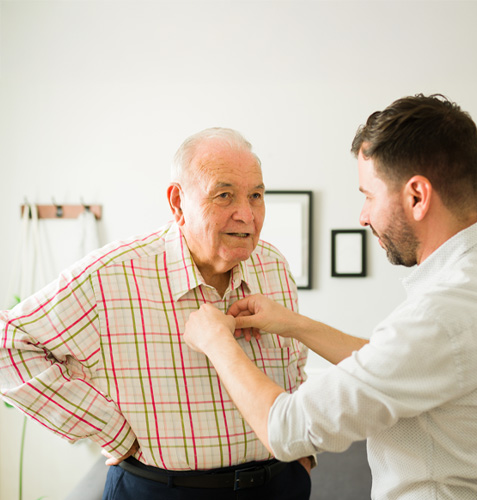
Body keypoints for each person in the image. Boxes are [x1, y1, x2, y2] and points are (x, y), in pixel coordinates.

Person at [183, 95, 477, 499]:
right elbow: (408, 365)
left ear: (416, 196)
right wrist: (296, 324)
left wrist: (216, 342)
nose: (362, 216)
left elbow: (286, 430)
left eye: (369, 195)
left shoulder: (441, 315)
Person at [0, 128, 312, 499]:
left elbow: (293, 368)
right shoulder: (112, 275)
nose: (246, 215)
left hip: (277, 485)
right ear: (178, 202)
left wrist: (303, 456)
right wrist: (111, 431)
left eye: (256, 196)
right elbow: (9, 344)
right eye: (224, 195)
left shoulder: (273, 265)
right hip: (163, 490)